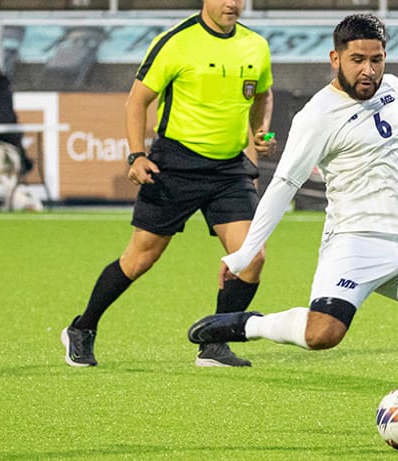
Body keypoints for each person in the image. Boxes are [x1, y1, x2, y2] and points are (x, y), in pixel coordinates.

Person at [186, 13, 398, 443]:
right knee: (322, 335)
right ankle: (245, 325)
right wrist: (243, 254)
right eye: (357, 60)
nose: (368, 70)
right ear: (335, 58)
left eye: (376, 59)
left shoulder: (393, 90)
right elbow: (283, 186)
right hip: (353, 244)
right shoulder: (317, 115)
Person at [60, 0, 275, 368]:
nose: (232, 3)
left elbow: (263, 93)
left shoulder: (256, 45)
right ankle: (82, 328)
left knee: (251, 259)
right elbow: (137, 101)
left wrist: (260, 133)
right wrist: (135, 155)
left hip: (229, 170)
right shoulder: (175, 41)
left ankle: (215, 343)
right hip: (175, 165)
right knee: (140, 257)